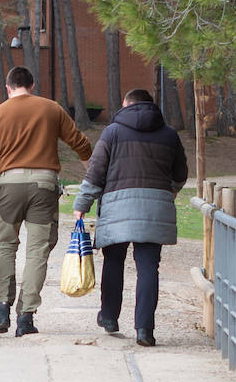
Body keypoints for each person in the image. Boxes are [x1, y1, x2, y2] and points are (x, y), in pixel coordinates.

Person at [0, 66, 93, 336]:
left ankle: (1, 308)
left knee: (4, 247)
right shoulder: (51, 109)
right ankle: (26, 316)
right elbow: (80, 144)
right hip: (44, 185)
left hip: (9, 186)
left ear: (8, 87)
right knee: (37, 251)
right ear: (33, 85)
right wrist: (92, 178)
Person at [72, 88, 188, 347]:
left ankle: (110, 317)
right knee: (149, 268)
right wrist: (167, 193)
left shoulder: (112, 132)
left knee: (114, 262)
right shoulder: (169, 134)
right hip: (154, 209)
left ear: (126, 105)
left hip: (117, 208)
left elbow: (95, 173)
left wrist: (82, 205)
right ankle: (145, 329)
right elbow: (181, 173)